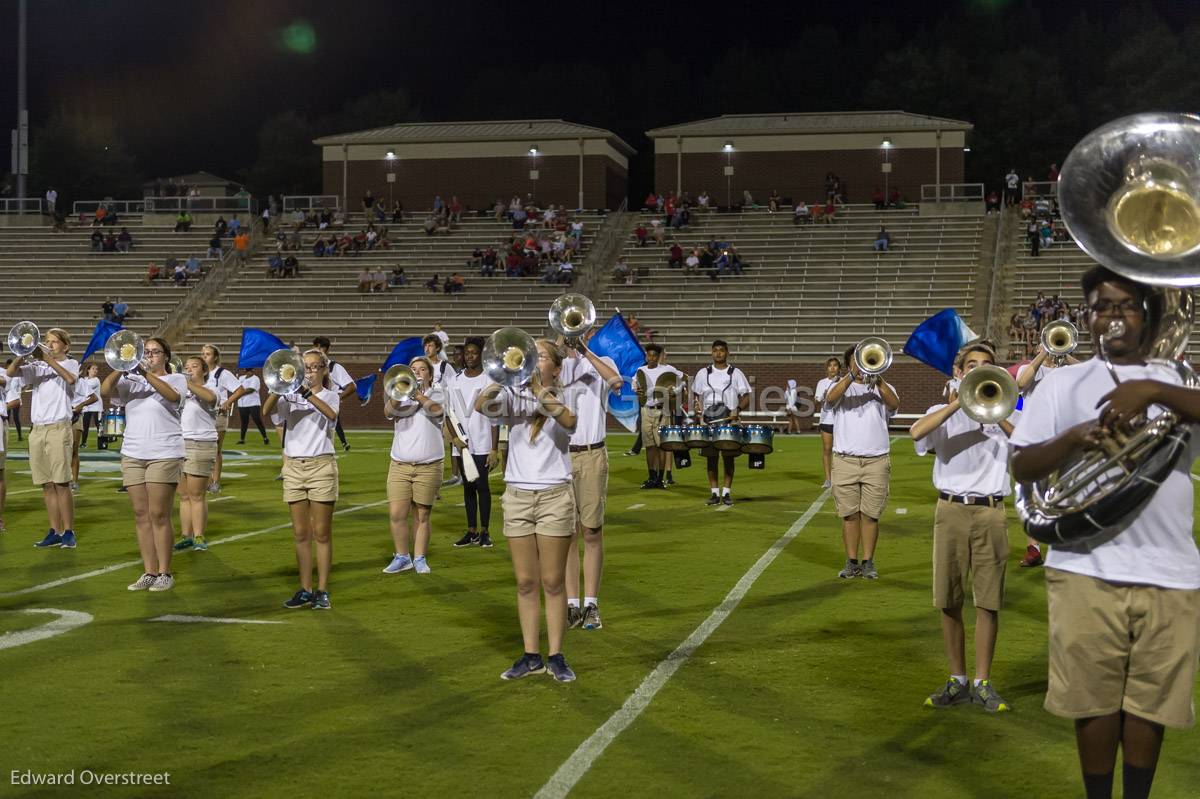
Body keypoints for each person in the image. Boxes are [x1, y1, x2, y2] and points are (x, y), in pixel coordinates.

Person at [1011, 265, 1200, 799]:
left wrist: (1150, 389)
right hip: (1083, 567)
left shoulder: (1180, 379)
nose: (1112, 316)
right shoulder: (1062, 381)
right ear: (1087, 317)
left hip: (1171, 570)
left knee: (1151, 704)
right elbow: (1023, 467)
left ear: (1146, 314)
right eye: (1100, 306)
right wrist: (1074, 438)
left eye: (1124, 305)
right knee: (1091, 703)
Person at [910, 342, 1015, 714]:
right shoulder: (942, 411)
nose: (978, 370)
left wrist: (997, 408)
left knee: (988, 601)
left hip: (991, 511)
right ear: (959, 372)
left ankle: (983, 681)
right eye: (972, 365)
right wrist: (960, 402)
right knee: (949, 598)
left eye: (986, 365)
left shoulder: (1008, 409)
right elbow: (916, 433)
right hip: (951, 509)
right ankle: (957, 679)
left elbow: (1028, 445)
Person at [476, 339, 579, 682]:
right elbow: (479, 406)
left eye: (542, 355)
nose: (534, 360)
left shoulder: (567, 393)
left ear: (556, 367)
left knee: (552, 581)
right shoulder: (511, 394)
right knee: (524, 582)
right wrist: (501, 376)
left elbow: (569, 421)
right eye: (530, 354)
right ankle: (531, 655)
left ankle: (557, 655)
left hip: (554, 495)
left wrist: (537, 389)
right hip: (518, 494)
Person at [102, 337, 187, 591]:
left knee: (159, 514)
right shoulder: (130, 381)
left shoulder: (176, 378)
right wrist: (121, 365)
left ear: (166, 356)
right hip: (133, 452)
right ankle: (149, 571)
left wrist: (145, 374)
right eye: (145, 352)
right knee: (141, 515)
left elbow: (172, 396)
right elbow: (105, 391)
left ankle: (165, 573)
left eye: (154, 352)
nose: (149, 356)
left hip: (164, 451)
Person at [263, 350, 340, 610]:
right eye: (304, 367)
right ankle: (305, 588)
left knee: (321, 533)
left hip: (321, 466)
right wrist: (280, 387)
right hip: (294, 467)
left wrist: (306, 393)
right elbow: (266, 411)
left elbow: (331, 415)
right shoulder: (289, 397)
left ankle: (322, 590)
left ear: (324, 370)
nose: (309, 372)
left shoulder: (330, 395)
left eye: (314, 367)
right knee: (300, 533)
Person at [561, 333, 623, 630]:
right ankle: (572, 605)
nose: (570, 335)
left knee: (592, 532)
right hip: (559, 456)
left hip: (592, 454)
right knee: (567, 534)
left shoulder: (601, 361)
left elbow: (617, 383)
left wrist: (585, 351)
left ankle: (592, 604)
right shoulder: (556, 366)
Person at [823, 345, 899, 579]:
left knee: (870, 515)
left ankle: (868, 562)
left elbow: (894, 404)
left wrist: (877, 381)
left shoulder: (882, 386)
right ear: (848, 365)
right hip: (845, 459)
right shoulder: (839, 386)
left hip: (876, 460)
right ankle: (851, 561)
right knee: (849, 515)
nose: (863, 365)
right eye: (857, 361)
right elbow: (830, 398)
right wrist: (850, 377)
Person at [8, 328, 80, 549]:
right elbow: (11, 373)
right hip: (37, 429)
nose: (49, 345)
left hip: (59, 427)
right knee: (46, 484)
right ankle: (54, 531)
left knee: (61, 482)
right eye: (46, 342)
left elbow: (69, 379)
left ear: (65, 346)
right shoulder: (37, 367)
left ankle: (68, 531)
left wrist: (46, 358)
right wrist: (23, 351)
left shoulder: (70, 363)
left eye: (54, 342)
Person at [1014, 341, 1080, 567]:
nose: (1052, 346)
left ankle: (1063, 546)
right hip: (1036, 438)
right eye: (1048, 342)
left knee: (1065, 492)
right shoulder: (1030, 368)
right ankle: (1033, 549)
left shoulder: (1070, 370)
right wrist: (1043, 355)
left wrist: (1066, 355)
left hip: (1064, 437)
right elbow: (1021, 384)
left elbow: (1089, 379)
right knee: (1033, 495)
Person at [381, 357, 444, 575]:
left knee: (422, 515)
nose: (417, 372)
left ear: (430, 374)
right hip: (400, 463)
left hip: (429, 465)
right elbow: (388, 412)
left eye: (422, 369)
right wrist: (401, 392)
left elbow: (438, 411)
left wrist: (417, 394)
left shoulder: (438, 392)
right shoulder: (399, 395)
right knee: (397, 513)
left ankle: (419, 557)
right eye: (413, 369)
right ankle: (402, 556)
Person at [446, 338, 499, 549]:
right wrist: (455, 438)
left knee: (482, 487)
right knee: (468, 488)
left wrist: (494, 448)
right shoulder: (455, 380)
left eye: (474, 353)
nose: (469, 356)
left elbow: (494, 417)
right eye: (467, 353)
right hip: (463, 444)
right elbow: (448, 413)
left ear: (481, 355)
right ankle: (471, 531)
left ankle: (485, 531)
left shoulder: (488, 380)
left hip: (483, 442)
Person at [690, 340, 751, 506]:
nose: (718, 353)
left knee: (728, 456)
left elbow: (746, 396)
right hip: (708, 420)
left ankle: (727, 492)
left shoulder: (735, 373)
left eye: (721, 350)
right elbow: (696, 394)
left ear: (727, 352)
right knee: (711, 457)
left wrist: (737, 410)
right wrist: (697, 406)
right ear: (711, 352)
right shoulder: (703, 373)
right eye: (715, 350)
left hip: (729, 421)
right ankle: (714, 493)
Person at [174, 356, 221, 552]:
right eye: (186, 367)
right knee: (183, 495)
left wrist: (185, 382)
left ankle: (199, 535)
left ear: (204, 371)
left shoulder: (212, 388)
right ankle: (186, 535)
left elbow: (210, 399)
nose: (189, 369)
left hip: (200, 443)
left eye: (194, 367)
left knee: (196, 494)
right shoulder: (181, 391)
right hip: (179, 443)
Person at [634, 343, 683, 489]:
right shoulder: (640, 370)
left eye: (654, 355)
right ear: (646, 356)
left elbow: (682, 382)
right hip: (646, 410)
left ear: (658, 356)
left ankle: (661, 479)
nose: (652, 358)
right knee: (649, 446)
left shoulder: (667, 369)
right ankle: (652, 477)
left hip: (663, 410)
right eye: (649, 355)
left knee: (662, 446)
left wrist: (674, 391)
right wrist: (637, 390)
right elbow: (634, 384)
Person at [202, 345, 248, 494]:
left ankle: (215, 482)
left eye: (207, 354)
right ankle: (206, 480)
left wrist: (228, 402)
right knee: (203, 449)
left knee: (215, 449)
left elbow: (240, 389)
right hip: (202, 415)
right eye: (203, 354)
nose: (204, 357)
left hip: (217, 414)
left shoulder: (222, 373)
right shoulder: (199, 374)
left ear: (215, 357)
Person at [311, 337, 355, 452]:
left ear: (327, 350)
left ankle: (342, 443)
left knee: (327, 436)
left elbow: (351, 386)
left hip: (327, 405)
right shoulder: (309, 368)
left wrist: (337, 398)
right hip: (312, 404)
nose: (318, 350)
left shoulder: (334, 367)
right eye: (316, 346)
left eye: (321, 347)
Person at [69, 366, 102, 492]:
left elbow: (94, 397)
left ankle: (74, 481)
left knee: (73, 450)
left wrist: (80, 405)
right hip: (60, 417)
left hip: (75, 417)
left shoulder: (81, 382)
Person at [236, 367, 270, 444]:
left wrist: (239, 392)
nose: (251, 372)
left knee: (257, 420)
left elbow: (250, 390)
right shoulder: (241, 378)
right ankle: (242, 439)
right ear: (246, 371)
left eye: (251, 371)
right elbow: (236, 387)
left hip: (253, 403)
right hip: (242, 404)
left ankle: (265, 438)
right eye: (249, 371)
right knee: (244, 422)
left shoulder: (256, 379)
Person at [76, 362, 103, 450]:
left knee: (98, 425)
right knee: (85, 426)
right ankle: (83, 443)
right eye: (93, 369)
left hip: (96, 406)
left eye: (96, 369)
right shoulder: (84, 379)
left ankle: (101, 443)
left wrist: (78, 377)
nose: (95, 371)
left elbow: (86, 387)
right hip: (87, 407)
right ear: (88, 370)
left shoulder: (96, 380)